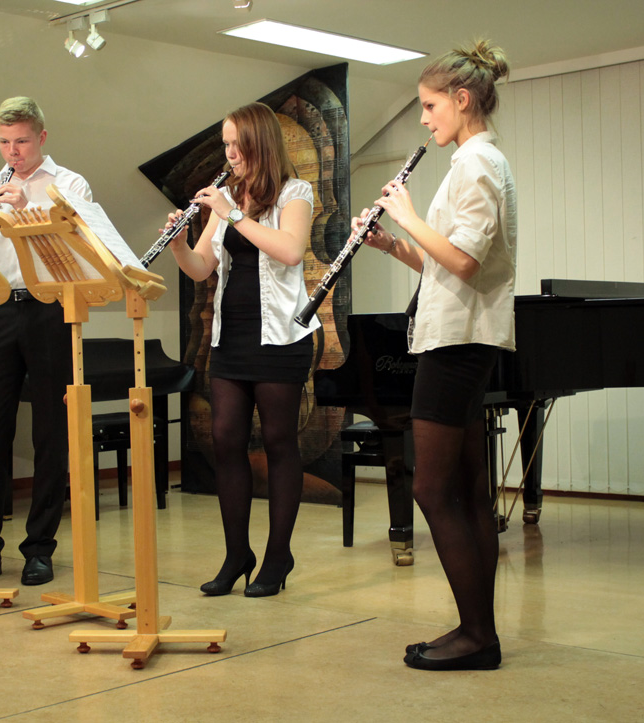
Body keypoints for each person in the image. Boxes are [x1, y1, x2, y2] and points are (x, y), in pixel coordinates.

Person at [353, 40, 516, 670]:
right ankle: (479, 631)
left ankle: (477, 636)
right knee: (469, 492)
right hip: (459, 333)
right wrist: (392, 244)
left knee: (431, 488)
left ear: (462, 99)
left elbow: (466, 262)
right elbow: (444, 264)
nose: (423, 118)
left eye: (429, 105)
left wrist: (407, 214)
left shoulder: (477, 165)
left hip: (458, 341)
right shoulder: (474, 162)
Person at [165, 102, 319, 597]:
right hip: (231, 337)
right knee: (225, 438)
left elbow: (290, 251)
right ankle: (237, 554)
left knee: (278, 442)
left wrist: (232, 214)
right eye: (226, 145)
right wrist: (178, 243)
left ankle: (278, 555)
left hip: (281, 338)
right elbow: (201, 267)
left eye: (238, 144)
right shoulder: (228, 197)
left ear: (260, 143)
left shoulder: (295, 193)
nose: (230, 154)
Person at [0, 96, 93, 586]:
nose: (12, 152)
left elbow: (80, 244)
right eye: (4, 142)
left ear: (41, 137)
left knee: (50, 431)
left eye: (20, 141)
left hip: (50, 306)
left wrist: (27, 210)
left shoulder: (69, 185)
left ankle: (40, 548)